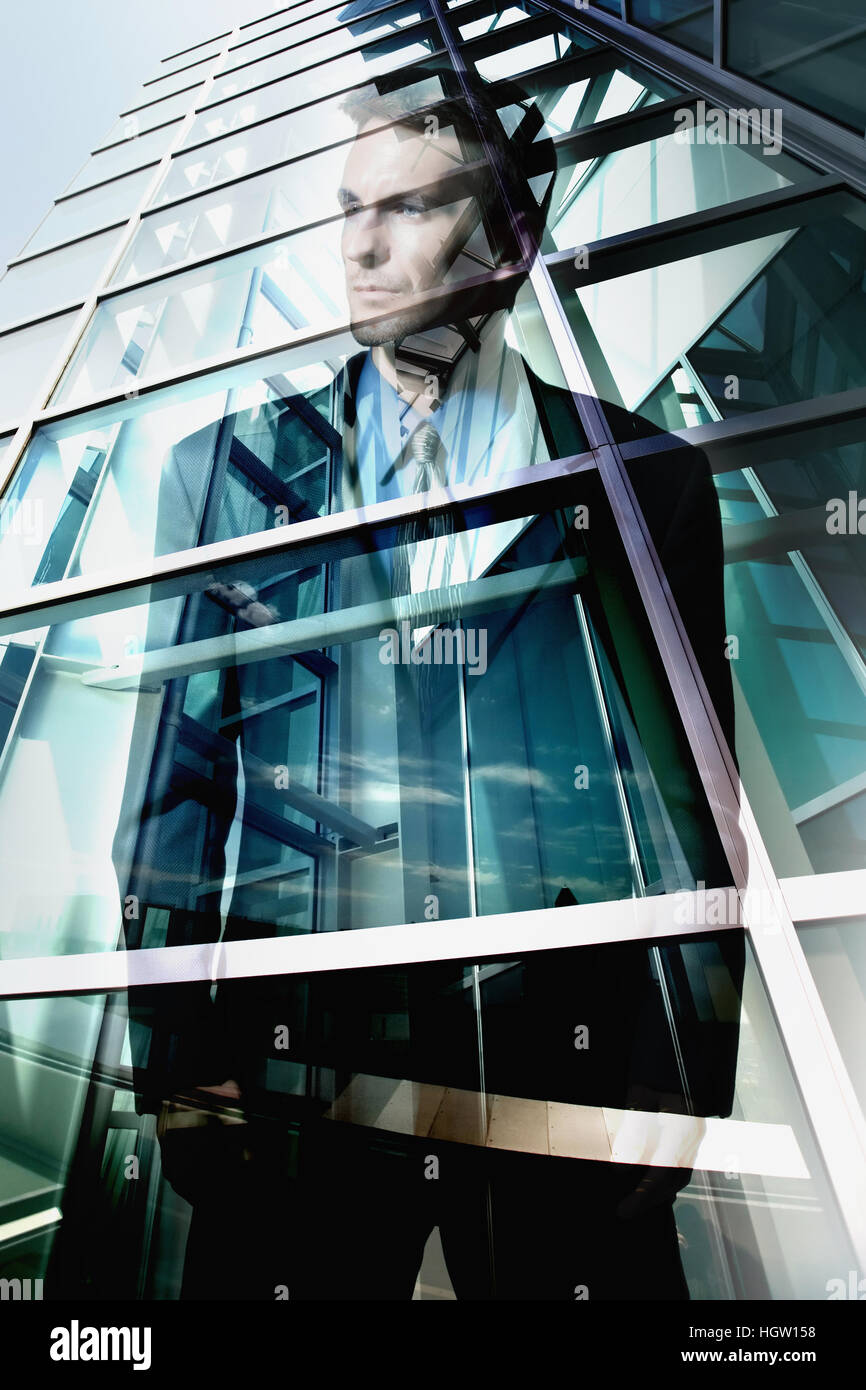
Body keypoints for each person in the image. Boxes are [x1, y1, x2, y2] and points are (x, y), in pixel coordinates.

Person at [102, 64, 743, 1300]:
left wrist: (684, 1068)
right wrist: (175, 1046)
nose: (358, 246)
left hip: (570, 1063)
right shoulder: (230, 477)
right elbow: (177, 788)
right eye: (346, 207)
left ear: (507, 239)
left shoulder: (644, 481)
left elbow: (689, 807)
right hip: (300, 1061)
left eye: (403, 210)